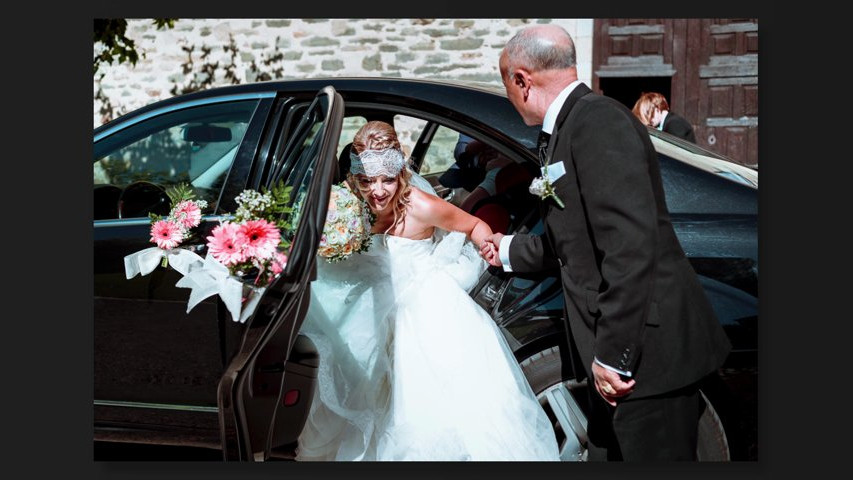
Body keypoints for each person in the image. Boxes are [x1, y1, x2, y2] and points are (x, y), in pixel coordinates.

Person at [483, 24, 731, 461]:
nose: (508, 94)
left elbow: (629, 247)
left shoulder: (597, 123)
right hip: (618, 358)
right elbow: (576, 238)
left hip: (645, 360)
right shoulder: (567, 126)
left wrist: (615, 356)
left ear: (522, 80)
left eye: (506, 83)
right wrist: (506, 250)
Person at [296, 120, 560, 461]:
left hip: (423, 307)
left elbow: (474, 225)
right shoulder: (345, 206)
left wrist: (486, 245)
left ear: (401, 173)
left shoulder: (422, 206)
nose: (377, 191)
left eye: (387, 180)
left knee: (425, 410)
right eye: (366, 181)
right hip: (369, 306)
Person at [632, 91, 696, 142]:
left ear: (657, 109)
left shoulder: (674, 123)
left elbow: (676, 152)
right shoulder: (669, 122)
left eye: (648, 116)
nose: (648, 122)